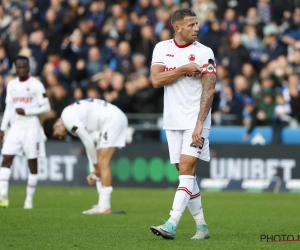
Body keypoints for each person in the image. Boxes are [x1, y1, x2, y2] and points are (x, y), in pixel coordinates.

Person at [149, 9, 216, 240]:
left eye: (196, 24)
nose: (196, 28)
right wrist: (182, 70)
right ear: (177, 28)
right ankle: (202, 226)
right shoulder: (162, 48)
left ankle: (171, 223)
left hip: (196, 120)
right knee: (184, 174)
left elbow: (209, 89)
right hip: (173, 120)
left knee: (187, 169)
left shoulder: (205, 52)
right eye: (190, 25)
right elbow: (156, 80)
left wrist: (200, 123)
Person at [42, 98, 128, 214]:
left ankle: (105, 207)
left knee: (103, 162)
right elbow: (89, 143)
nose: (61, 137)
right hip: (111, 120)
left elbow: (88, 142)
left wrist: (96, 165)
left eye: (57, 135)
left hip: (112, 120)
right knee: (100, 162)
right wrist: (94, 169)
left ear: (57, 126)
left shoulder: (69, 121)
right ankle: (102, 204)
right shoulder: (68, 116)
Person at [0, 55, 50, 209]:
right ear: (15, 68)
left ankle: (29, 200)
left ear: (29, 67)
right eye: (19, 67)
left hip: (32, 126)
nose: (22, 69)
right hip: (15, 126)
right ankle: (3, 197)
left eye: (24, 66)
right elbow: (9, 107)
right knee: (6, 159)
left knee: (32, 162)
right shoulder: (11, 85)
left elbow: (46, 107)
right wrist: (2, 128)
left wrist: (27, 111)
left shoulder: (36, 84)